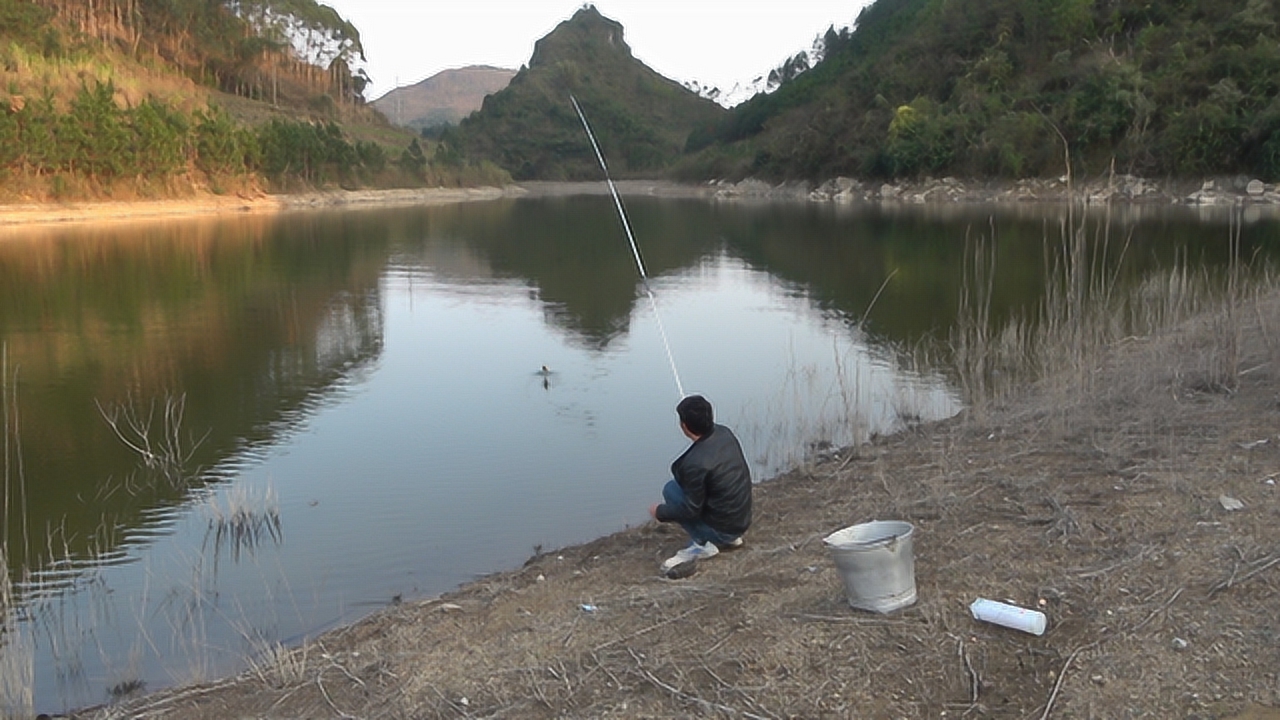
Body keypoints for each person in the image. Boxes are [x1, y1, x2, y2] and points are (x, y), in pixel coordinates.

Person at [649, 395, 752, 576]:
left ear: (685, 427)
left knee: (671, 490)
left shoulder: (695, 463)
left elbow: (690, 510)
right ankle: (730, 538)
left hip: (724, 529)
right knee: (688, 491)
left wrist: (660, 512)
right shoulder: (724, 433)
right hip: (741, 521)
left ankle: (703, 544)